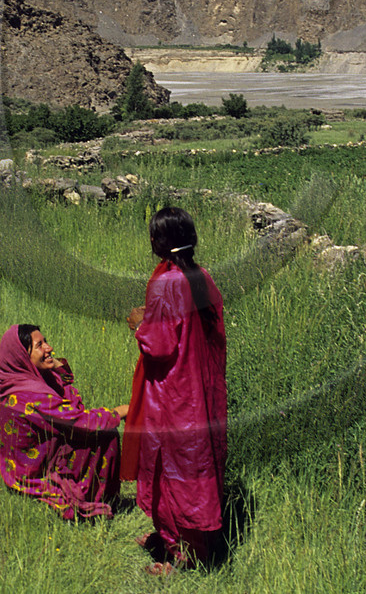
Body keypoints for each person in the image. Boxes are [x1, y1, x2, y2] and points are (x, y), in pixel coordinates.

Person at [123, 206, 228, 575]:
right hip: (200, 387)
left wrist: (140, 324)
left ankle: (183, 555)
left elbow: (160, 345)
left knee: (172, 466)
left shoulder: (167, 281)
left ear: (160, 242)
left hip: (174, 391)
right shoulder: (201, 276)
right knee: (193, 462)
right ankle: (172, 537)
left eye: (153, 235)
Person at [0, 323, 128, 521]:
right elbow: (80, 421)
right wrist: (121, 411)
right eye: (39, 345)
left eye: (46, 341)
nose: (49, 348)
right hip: (34, 472)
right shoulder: (30, 396)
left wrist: (49, 360)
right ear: (21, 357)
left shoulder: (14, 382)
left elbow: (66, 384)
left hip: (24, 465)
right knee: (104, 432)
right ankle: (98, 496)